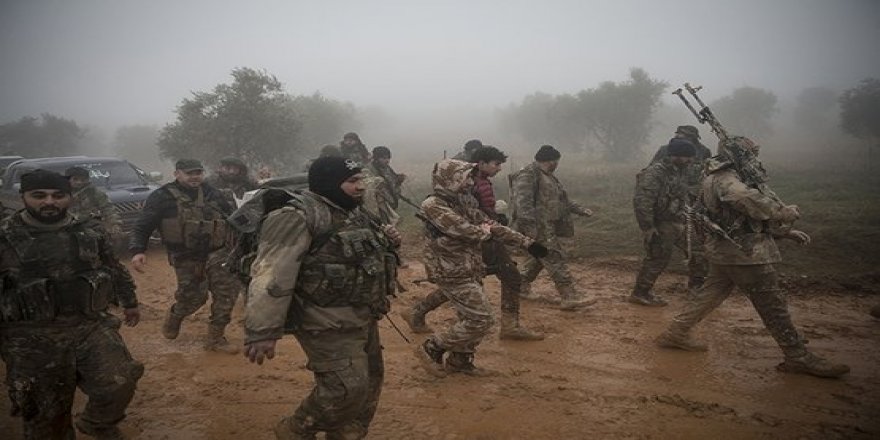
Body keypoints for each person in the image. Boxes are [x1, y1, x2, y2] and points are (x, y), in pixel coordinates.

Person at [656, 136, 850, 379]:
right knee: (773, 306)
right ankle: (797, 355)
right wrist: (782, 212)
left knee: (709, 294)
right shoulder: (727, 180)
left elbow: (737, 219)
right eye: (750, 153)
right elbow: (744, 201)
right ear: (737, 155)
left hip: (725, 251)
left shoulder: (715, 177)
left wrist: (783, 233)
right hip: (746, 255)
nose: (754, 158)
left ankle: (677, 332)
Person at [243, 156, 400, 439]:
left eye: (361, 179)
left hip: (362, 314)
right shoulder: (296, 216)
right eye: (352, 181)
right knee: (345, 388)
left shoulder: (354, 211)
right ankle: (296, 429)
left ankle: (346, 434)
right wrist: (263, 330)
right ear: (329, 183)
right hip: (323, 319)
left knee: (369, 385)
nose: (361, 186)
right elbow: (270, 274)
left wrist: (389, 239)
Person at [0, 169, 143, 439]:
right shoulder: (6, 236)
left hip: (89, 326)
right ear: (23, 197)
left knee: (120, 382)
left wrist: (130, 301)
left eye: (58, 195)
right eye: (39, 196)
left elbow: (113, 267)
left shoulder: (88, 229)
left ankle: (98, 424)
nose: (49, 202)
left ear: (70, 197)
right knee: (47, 418)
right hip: (30, 338)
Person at [414, 159, 547, 377]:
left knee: (470, 317)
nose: (469, 182)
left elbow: (489, 225)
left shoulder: (462, 200)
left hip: (471, 267)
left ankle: (461, 360)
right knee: (481, 318)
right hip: (449, 270)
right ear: (452, 178)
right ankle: (432, 347)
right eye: (465, 177)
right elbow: (466, 230)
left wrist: (526, 242)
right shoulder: (433, 205)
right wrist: (484, 231)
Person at [128, 159, 240, 354]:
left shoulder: (213, 194)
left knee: (227, 293)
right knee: (194, 298)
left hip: (218, 252)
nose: (195, 177)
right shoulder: (162, 197)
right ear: (177, 174)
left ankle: (215, 338)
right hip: (185, 255)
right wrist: (138, 250)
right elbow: (143, 224)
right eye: (189, 173)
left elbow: (233, 219)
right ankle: (176, 314)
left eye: (198, 172)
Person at [510, 145, 596, 310]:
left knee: (540, 257)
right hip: (537, 226)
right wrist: (529, 228)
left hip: (549, 225)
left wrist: (580, 209)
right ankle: (569, 296)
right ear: (551, 161)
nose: (557, 164)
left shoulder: (549, 177)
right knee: (553, 256)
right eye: (556, 161)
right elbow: (522, 203)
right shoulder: (528, 175)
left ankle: (520, 285)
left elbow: (562, 200)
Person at [629, 139, 707, 306]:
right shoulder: (655, 173)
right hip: (661, 222)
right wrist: (648, 227)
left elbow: (699, 175)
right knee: (658, 257)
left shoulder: (682, 169)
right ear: (675, 156)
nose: (691, 161)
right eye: (688, 157)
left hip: (679, 219)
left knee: (699, 250)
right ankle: (640, 293)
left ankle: (696, 289)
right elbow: (642, 201)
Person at [64, 166, 123, 236]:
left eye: (82, 180)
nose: (79, 182)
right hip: (65, 226)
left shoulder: (94, 192)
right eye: (75, 179)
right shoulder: (60, 193)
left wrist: (114, 224)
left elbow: (108, 208)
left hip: (89, 224)